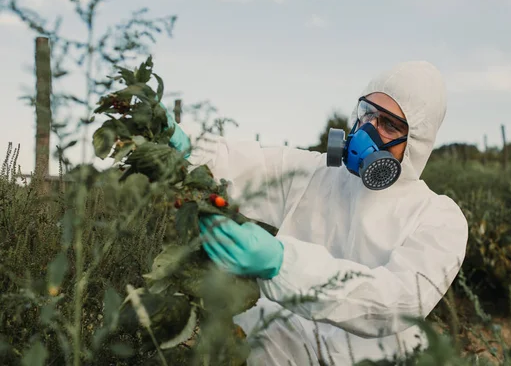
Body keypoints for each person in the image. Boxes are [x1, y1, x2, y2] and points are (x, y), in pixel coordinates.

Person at [164, 61, 469, 365]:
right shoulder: (318, 173)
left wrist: (283, 265)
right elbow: (254, 165)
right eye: (367, 113)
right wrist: (187, 147)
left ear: (416, 142)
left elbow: (397, 303)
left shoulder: (439, 218)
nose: (367, 132)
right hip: (284, 346)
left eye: (389, 125)